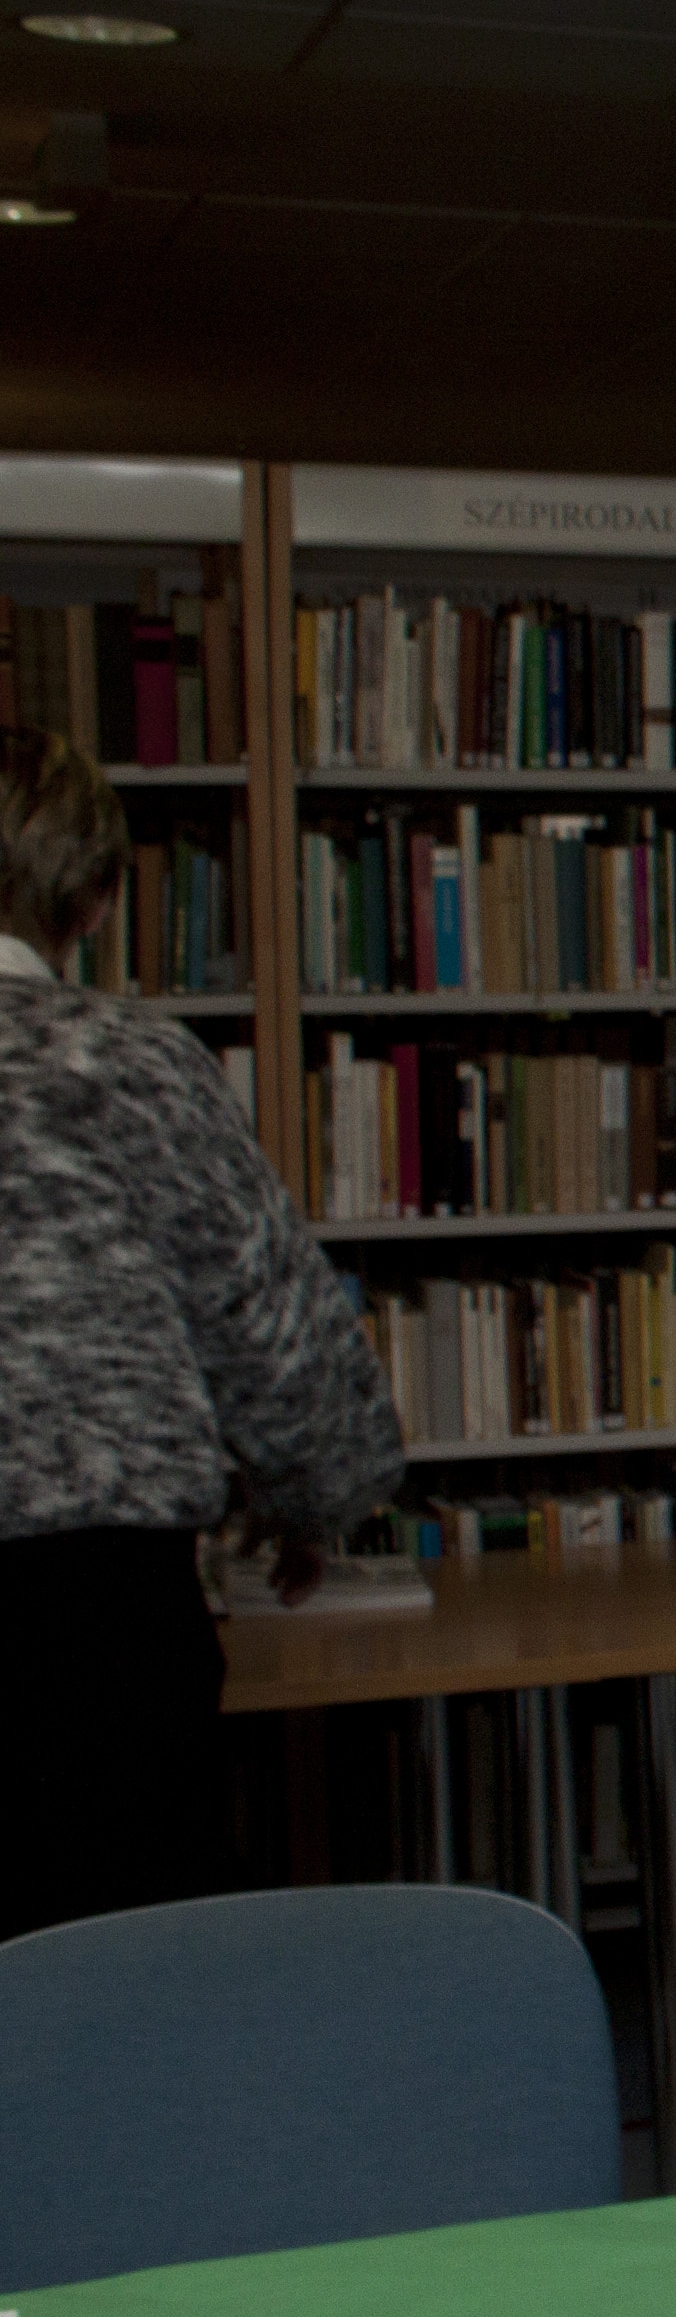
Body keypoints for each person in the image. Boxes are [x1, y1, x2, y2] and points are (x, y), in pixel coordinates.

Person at [0, 723, 400, 1940]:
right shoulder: (127, 1066)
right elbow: (274, 1332)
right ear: (94, 900)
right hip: (91, 1611)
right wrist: (316, 1498)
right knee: (118, 1974)